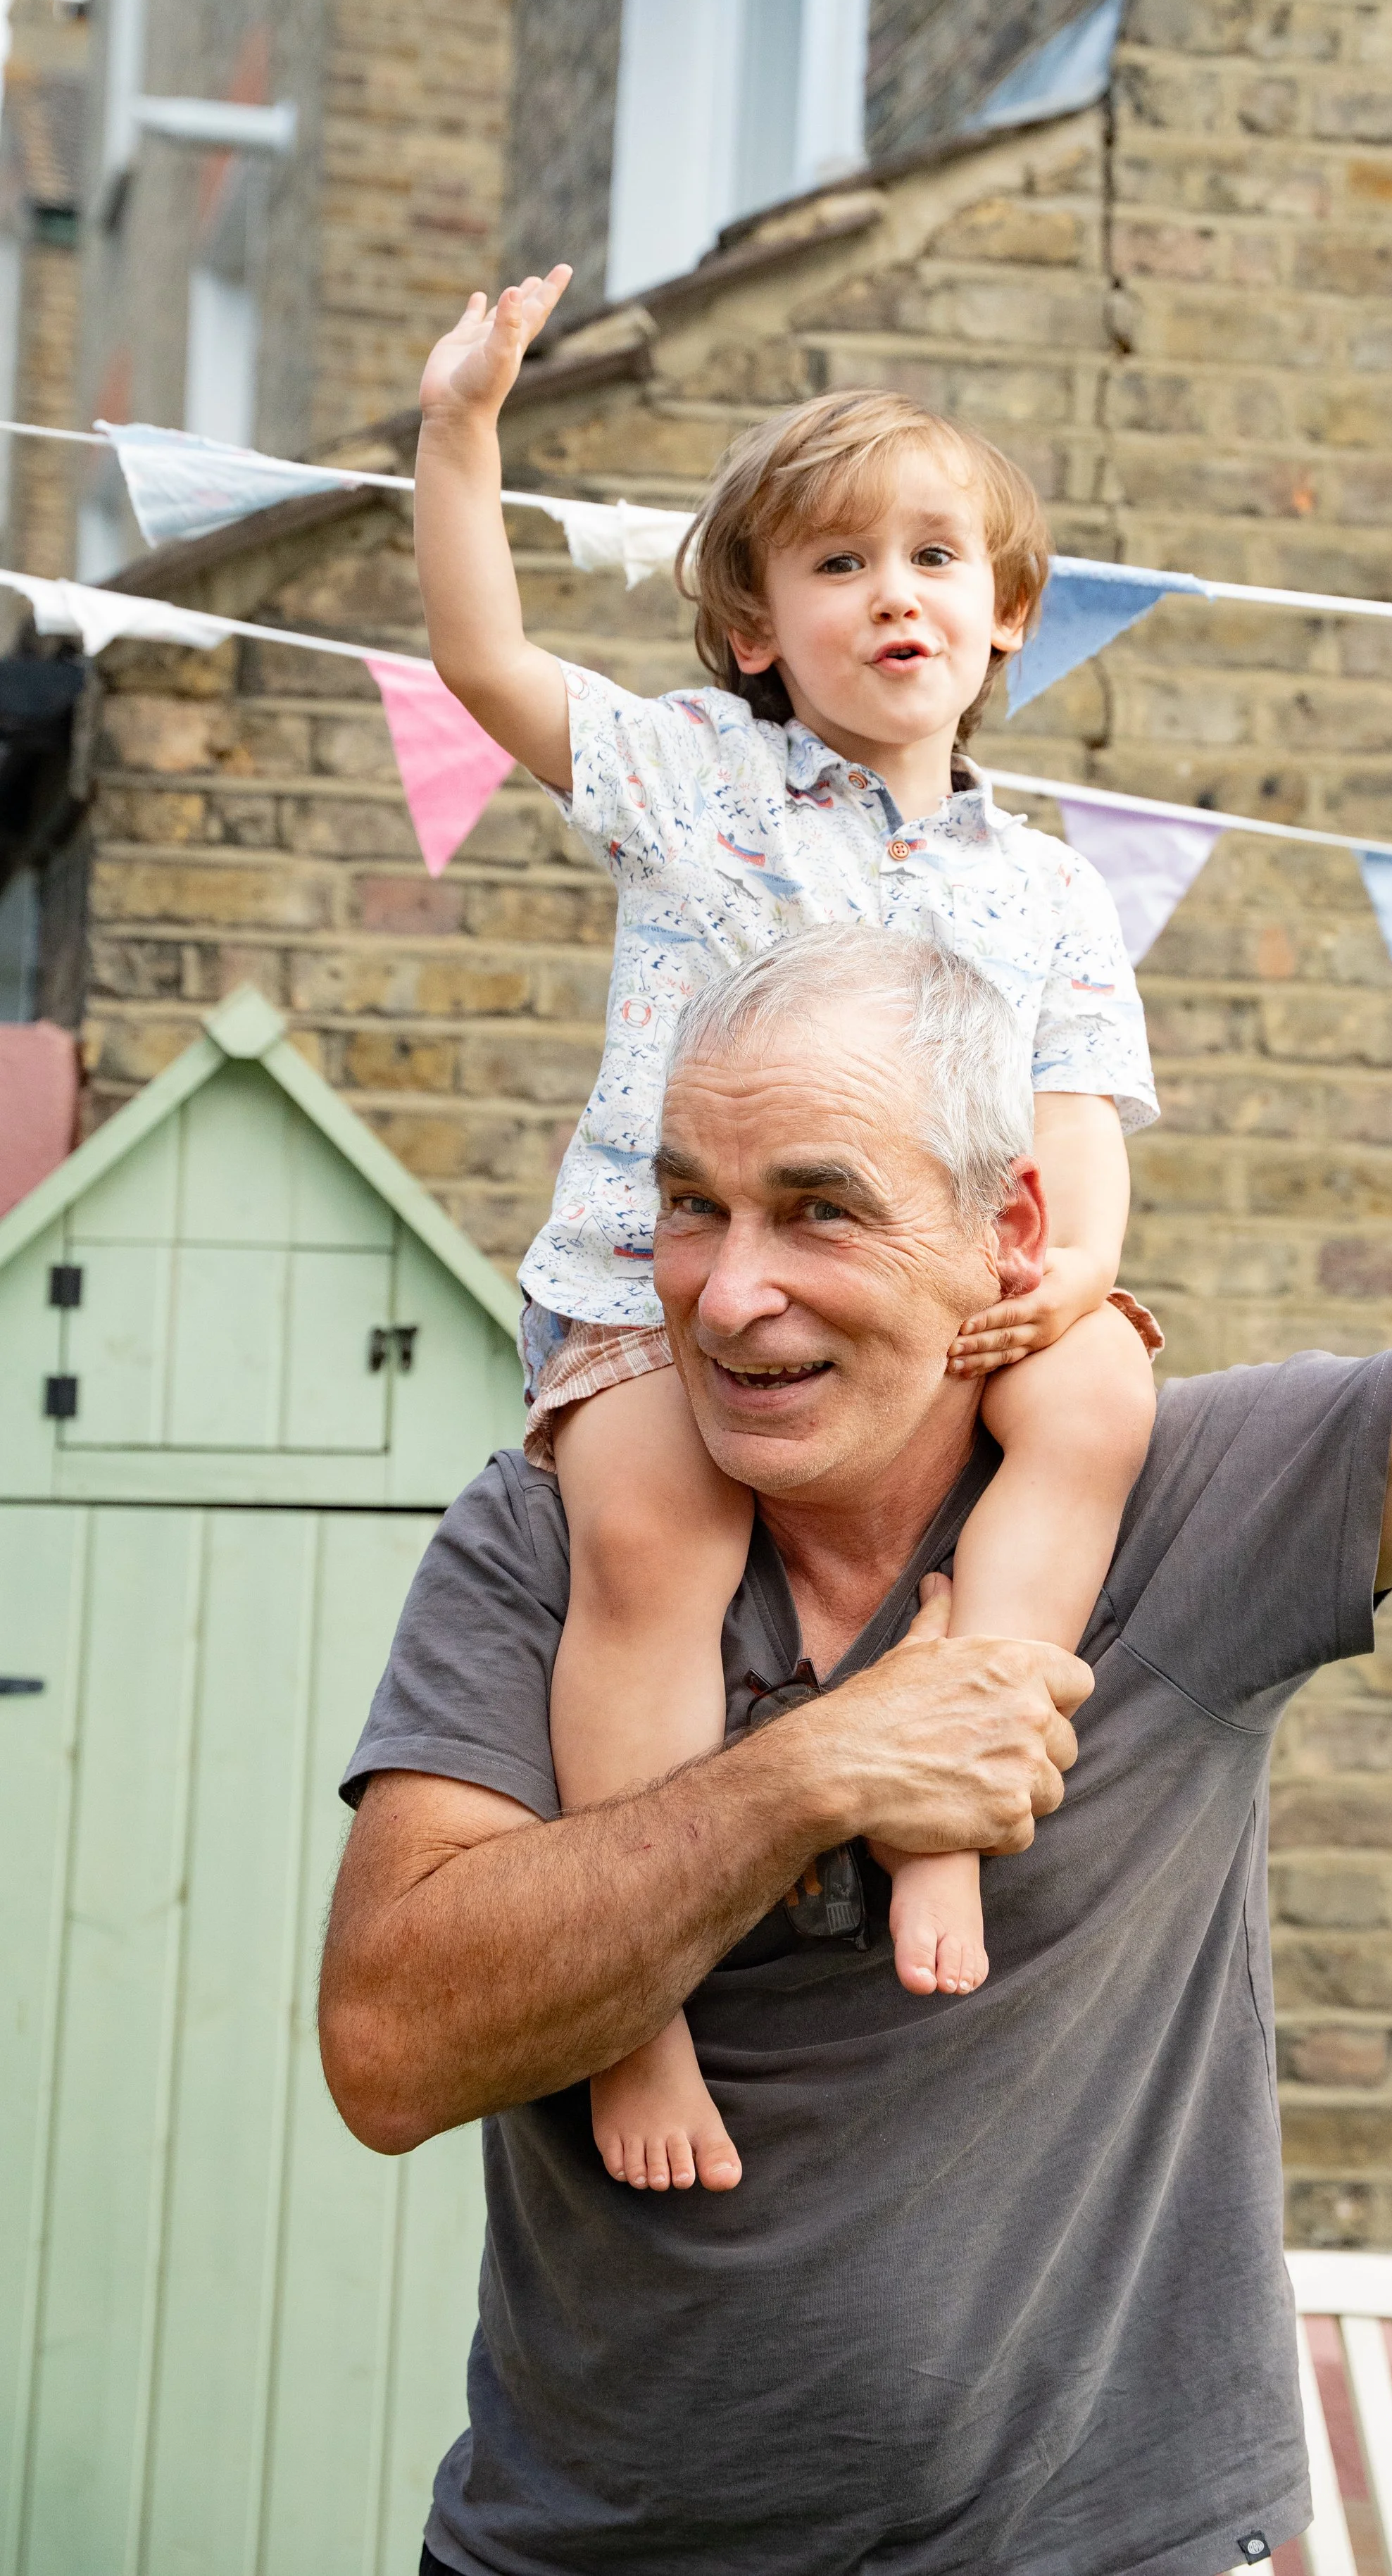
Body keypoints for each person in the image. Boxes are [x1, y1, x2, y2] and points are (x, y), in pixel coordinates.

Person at [322, 925, 1392, 2576]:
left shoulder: (1194, 1508)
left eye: (817, 1209)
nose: (727, 1293)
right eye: (688, 1206)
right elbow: (391, 2040)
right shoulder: (553, 1532)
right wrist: (814, 1772)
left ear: (1003, 1230)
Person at [411, 263, 1163, 2196]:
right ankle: (635, 2002)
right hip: (656, 1309)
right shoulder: (695, 776)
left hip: (937, 1310)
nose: (890, 592)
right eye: (836, 564)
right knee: (652, 1536)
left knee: (1097, 1399)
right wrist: (461, 431)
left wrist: (1068, 1272)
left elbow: (1078, 1119)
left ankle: (950, 1756)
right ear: (756, 626)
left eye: (933, 558)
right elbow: (489, 665)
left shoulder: (1052, 889)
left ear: (1003, 618)